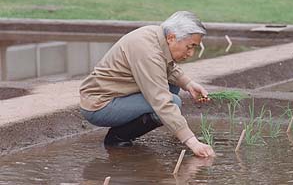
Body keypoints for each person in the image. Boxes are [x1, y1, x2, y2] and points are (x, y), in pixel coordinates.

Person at [79, 11, 215, 157]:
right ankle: (117, 137)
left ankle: (126, 128)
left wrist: (188, 84)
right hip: (100, 105)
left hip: (118, 95)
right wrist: (192, 142)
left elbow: (167, 68)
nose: (191, 53)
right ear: (171, 37)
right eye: (190, 46)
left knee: (173, 86)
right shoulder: (148, 51)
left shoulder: (157, 35)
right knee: (173, 102)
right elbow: (161, 101)